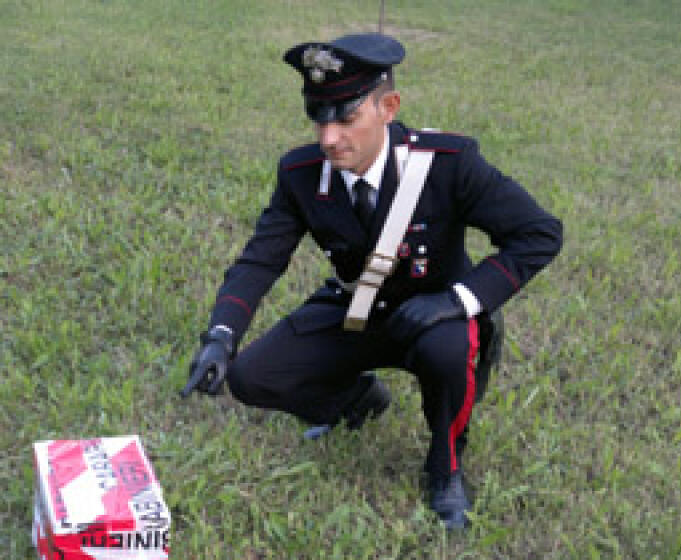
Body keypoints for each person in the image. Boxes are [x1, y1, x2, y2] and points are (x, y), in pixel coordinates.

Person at [180, 32, 563, 530]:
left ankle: (445, 469)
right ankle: (357, 401)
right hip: (357, 308)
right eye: (318, 117)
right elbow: (260, 261)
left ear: (388, 107)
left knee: (447, 352)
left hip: (436, 315)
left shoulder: (447, 165)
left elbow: (539, 233)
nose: (328, 137)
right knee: (251, 377)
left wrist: (460, 299)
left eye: (346, 117)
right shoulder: (300, 173)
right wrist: (221, 335)